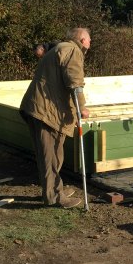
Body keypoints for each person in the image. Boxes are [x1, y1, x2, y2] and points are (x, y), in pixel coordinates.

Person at [20, 28, 91, 209]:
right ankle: (53, 196)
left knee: (55, 154)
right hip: (45, 111)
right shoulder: (73, 51)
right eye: (89, 40)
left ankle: (54, 188)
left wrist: (72, 112)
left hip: (43, 108)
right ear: (82, 40)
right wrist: (81, 107)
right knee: (50, 156)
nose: (90, 44)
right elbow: (75, 82)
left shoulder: (60, 48)